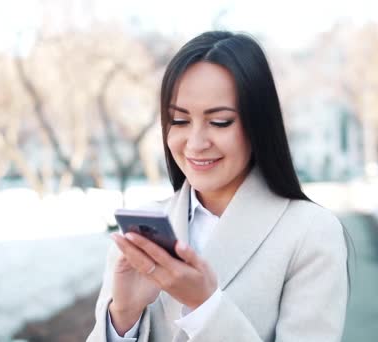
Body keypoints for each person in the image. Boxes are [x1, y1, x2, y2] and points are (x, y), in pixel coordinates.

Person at [86, 31, 349, 342]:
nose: (195, 144)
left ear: (258, 124)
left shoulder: (310, 232)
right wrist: (123, 317)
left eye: (220, 121)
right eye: (180, 121)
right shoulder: (143, 228)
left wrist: (206, 308)